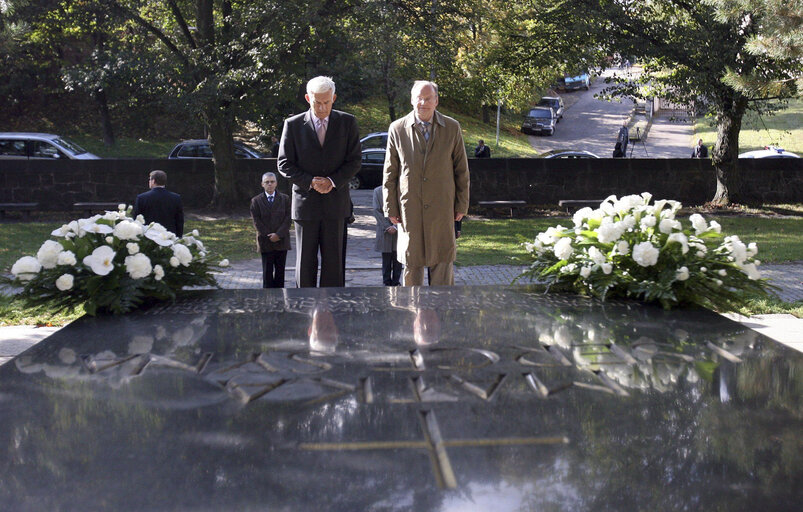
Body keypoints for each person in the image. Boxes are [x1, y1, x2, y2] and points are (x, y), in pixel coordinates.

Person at [383, 80, 470, 286]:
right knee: (411, 264)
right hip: (409, 208)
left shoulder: (451, 127)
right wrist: (390, 207)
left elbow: (462, 170)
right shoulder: (397, 128)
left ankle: (441, 314)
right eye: (418, 98)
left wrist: (462, 204)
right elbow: (390, 172)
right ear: (412, 100)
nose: (423, 102)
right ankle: (413, 314)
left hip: (442, 207)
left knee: (442, 261)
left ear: (436, 101)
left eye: (428, 98)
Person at [277, 76, 361, 288]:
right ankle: (306, 313)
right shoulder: (293, 125)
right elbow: (284, 163)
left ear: (334, 98)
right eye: (317, 102)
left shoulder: (347, 122)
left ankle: (333, 313)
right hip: (306, 204)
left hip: (336, 204)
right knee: (305, 264)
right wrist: (310, 182)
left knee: (334, 264)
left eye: (327, 102)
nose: (322, 108)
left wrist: (332, 181)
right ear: (308, 98)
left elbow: (354, 161)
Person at [250, 172, 291, 288]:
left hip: (281, 241)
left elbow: (288, 219)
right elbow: (256, 221)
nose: (270, 184)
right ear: (262, 184)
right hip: (265, 241)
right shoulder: (256, 201)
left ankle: (280, 299)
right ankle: (267, 299)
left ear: (276, 183)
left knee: (280, 272)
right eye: (267, 182)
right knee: (267, 273)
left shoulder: (285, 199)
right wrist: (269, 235)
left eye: (272, 182)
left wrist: (278, 234)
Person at [133, 169, 184, 236]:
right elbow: (179, 221)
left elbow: (137, 219)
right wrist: (178, 236)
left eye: (150, 179)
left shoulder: (142, 198)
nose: (149, 181)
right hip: (168, 235)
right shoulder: (176, 198)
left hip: (148, 236)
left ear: (153, 181)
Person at [372, 185, 402, 286]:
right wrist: (388, 226)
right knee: (386, 259)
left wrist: (396, 226)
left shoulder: (401, 188)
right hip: (384, 231)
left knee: (398, 258)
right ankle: (386, 281)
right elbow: (376, 210)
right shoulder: (378, 191)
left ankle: (396, 281)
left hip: (399, 230)